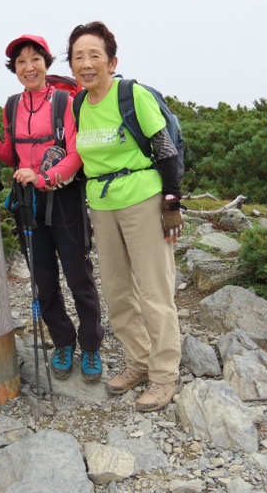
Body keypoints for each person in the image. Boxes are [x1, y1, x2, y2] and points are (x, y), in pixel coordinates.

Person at [66, 21, 185, 411]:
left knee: (154, 291)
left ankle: (164, 376)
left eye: (94, 55)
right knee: (118, 293)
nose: (86, 63)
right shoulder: (80, 103)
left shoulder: (130, 93)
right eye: (78, 56)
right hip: (101, 205)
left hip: (142, 199)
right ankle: (139, 359)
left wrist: (171, 203)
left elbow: (165, 148)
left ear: (111, 61)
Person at [0, 34, 104, 383]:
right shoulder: (11, 106)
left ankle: (91, 345)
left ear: (46, 63)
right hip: (28, 203)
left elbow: (77, 152)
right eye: (21, 61)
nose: (28, 66)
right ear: (15, 69)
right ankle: (63, 342)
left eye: (35, 58)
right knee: (44, 279)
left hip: (63, 197)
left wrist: (44, 177)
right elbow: (11, 154)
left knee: (78, 275)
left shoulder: (65, 101)